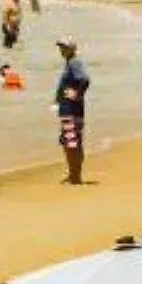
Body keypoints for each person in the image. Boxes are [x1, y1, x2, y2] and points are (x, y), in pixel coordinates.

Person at [55, 37, 91, 185]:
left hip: (71, 110)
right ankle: (74, 174)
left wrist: (77, 95)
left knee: (71, 142)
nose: (61, 50)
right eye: (60, 47)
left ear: (71, 49)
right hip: (69, 109)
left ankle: (75, 176)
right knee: (70, 141)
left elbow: (84, 79)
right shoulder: (70, 63)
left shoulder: (74, 62)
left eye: (63, 47)